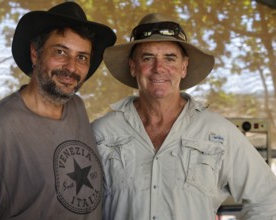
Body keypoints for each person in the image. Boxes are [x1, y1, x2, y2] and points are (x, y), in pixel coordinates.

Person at [92, 13, 276, 220]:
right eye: (147, 58)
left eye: (170, 58)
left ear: (184, 67)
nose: (159, 68)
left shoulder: (218, 132)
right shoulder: (101, 133)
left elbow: (268, 199)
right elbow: (77, 206)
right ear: (133, 67)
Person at [0, 2, 116, 220]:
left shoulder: (77, 108)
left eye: (82, 57)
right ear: (35, 53)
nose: (72, 67)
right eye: (60, 52)